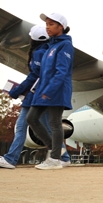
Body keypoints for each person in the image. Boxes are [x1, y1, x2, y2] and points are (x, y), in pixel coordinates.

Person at [0, 26, 71, 169]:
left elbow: (34, 77)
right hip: (45, 93)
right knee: (49, 126)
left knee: (22, 126)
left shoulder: (39, 52)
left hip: (35, 95)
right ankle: (63, 156)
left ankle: (11, 158)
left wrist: (16, 91)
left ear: (33, 38)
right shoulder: (49, 50)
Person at [25, 13, 75, 170]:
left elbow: (62, 71)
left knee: (54, 122)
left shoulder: (65, 45)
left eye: (51, 24)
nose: (47, 27)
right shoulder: (51, 46)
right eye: (46, 24)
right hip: (44, 90)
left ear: (61, 27)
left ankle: (54, 159)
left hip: (56, 90)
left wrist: (50, 90)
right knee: (31, 118)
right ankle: (55, 150)